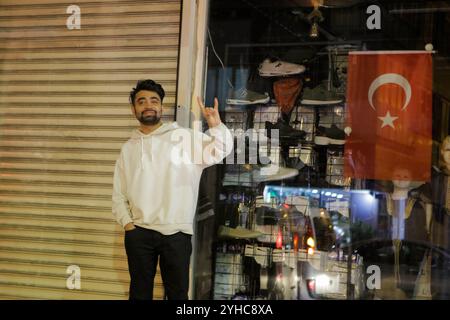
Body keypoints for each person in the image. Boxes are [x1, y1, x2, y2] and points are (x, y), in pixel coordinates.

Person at [112, 79, 233, 300]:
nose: (148, 105)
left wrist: (216, 126)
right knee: (139, 294)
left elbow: (219, 151)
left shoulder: (184, 138)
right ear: (134, 109)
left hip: (177, 233)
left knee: (178, 295)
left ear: (161, 107)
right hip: (139, 232)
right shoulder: (128, 148)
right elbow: (118, 193)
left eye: (154, 100)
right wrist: (128, 225)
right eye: (141, 101)